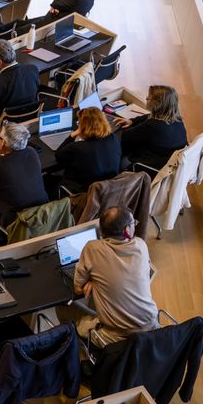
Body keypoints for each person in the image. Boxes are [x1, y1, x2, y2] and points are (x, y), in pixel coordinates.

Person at [71, 206, 159, 342]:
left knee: (69, 315)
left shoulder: (92, 249)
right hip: (152, 328)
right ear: (127, 230)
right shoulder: (141, 246)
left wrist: (94, 281)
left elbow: (78, 289)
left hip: (115, 337)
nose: (135, 226)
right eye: (133, 223)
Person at [118, 84, 188, 173]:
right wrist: (133, 121)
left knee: (118, 144)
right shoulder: (177, 119)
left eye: (150, 97)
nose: (146, 98)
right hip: (168, 163)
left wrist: (134, 126)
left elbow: (126, 137)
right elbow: (148, 116)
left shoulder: (152, 126)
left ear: (158, 105)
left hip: (149, 167)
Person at [54, 107, 122, 193]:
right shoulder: (113, 138)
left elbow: (58, 155)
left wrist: (73, 135)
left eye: (79, 123)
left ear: (83, 127)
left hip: (85, 193)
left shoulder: (77, 147)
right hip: (109, 188)